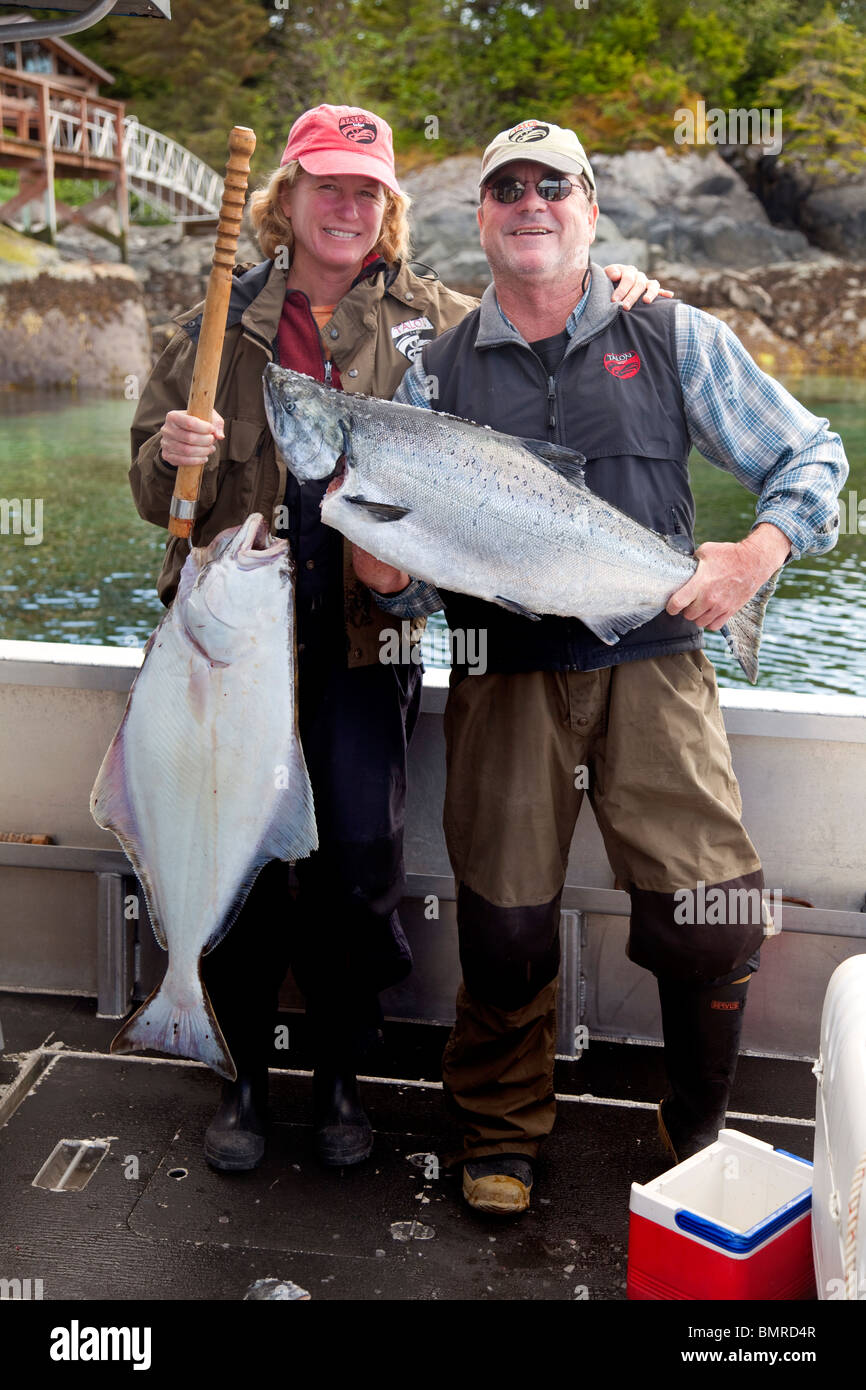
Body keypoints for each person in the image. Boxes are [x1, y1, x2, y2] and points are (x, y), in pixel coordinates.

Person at [128, 104, 662, 1174]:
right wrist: (171, 453)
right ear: (286, 197)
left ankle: (339, 1073)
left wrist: (622, 290)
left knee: (357, 866)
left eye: (365, 189)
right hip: (225, 646)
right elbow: (152, 496)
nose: (345, 205)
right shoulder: (209, 328)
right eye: (325, 184)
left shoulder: (442, 319)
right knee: (234, 859)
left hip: (367, 646)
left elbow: (547, 315)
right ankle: (240, 1076)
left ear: (389, 207)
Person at [385, 118, 848, 1215]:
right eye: (506, 188)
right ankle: (500, 1132)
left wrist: (754, 555)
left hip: (659, 666)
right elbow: (405, 586)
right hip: (502, 676)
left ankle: (695, 1129)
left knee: (710, 919)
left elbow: (811, 455)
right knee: (501, 927)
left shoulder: (675, 334)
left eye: (554, 186)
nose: (530, 204)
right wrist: (382, 573)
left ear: (590, 210)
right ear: (480, 218)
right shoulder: (430, 378)